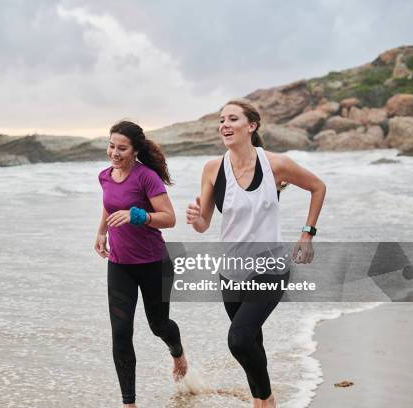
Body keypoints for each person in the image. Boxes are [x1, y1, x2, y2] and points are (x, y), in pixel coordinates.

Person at [186, 100, 326, 408]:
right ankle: (260, 402)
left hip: (270, 268)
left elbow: (318, 187)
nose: (224, 124)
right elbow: (204, 224)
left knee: (238, 339)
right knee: (251, 341)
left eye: (233, 118)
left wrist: (307, 234)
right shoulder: (212, 168)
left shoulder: (276, 164)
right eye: (221, 119)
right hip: (231, 270)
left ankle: (267, 400)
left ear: (252, 126)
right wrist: (195, 216)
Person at [95, 120, 188, 407]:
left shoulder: (146, 177)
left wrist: (138, 216)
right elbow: (109, 204)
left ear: (135, 150)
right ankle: (129, 403)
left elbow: (169, 218)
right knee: (121, 333)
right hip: (120, 264)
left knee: (159, 325)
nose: (114, 152)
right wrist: (101, 232)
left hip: (153, 263)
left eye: (122, 148)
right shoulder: (105, 176)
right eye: (111, 146)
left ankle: (177, 352)